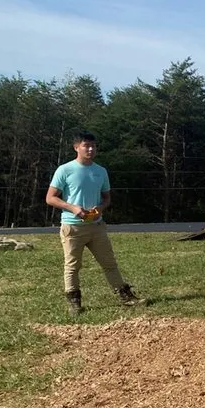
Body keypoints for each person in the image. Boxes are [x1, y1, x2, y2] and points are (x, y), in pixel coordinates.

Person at [45, 130, 142, 316]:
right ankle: (74, 302)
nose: (90, 149)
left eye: (93, 146)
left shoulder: (101, 171)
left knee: (109, 263)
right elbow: (50, 198)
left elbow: (106, 198)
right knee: (72, 266)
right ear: (76, 148)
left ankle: (126, 297)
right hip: (72, 227)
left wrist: (100, 208)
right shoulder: (64, 170)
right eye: (86, 146)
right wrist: (72, 208)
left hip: (96, 226)